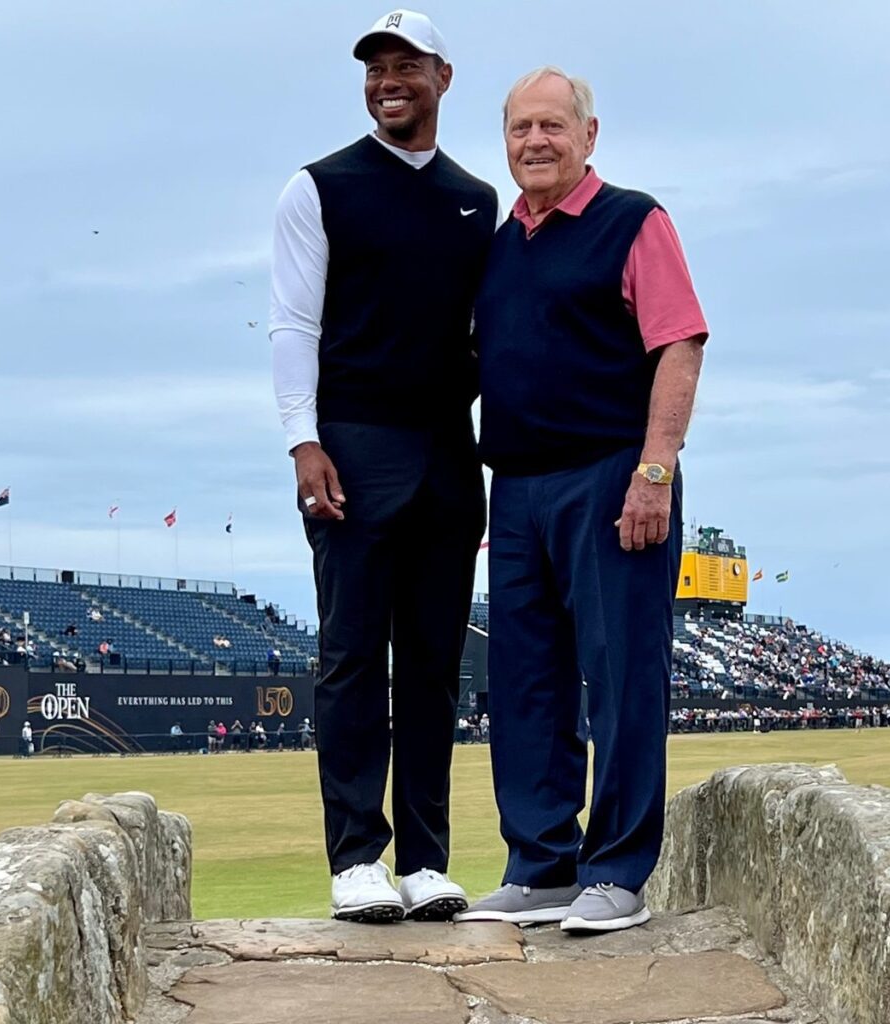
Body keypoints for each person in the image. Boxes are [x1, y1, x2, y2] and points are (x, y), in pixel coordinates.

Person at [457, 68, 707, 934]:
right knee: (525, 684)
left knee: (624, 676)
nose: (536, 141)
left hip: (612, 477)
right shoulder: (499, 247)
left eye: (553, 126)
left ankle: (618, 872)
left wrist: (655, 471)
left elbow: (679, 344)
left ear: (588, 136)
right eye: (521, 128)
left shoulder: (632, 221)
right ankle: (541, 867)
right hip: (516, 487)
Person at [268, 9, 495, 924]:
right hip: (352, 445)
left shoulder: (477, 200)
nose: (388, 81)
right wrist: (303, 440)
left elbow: (485, 334)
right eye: (375, 68)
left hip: (448, 451)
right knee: (354, 655)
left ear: (444, 77)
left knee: (434, 665)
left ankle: (426, 860)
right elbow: (294, 323)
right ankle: (357, 856)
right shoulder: (319, 187)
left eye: (407, 65)